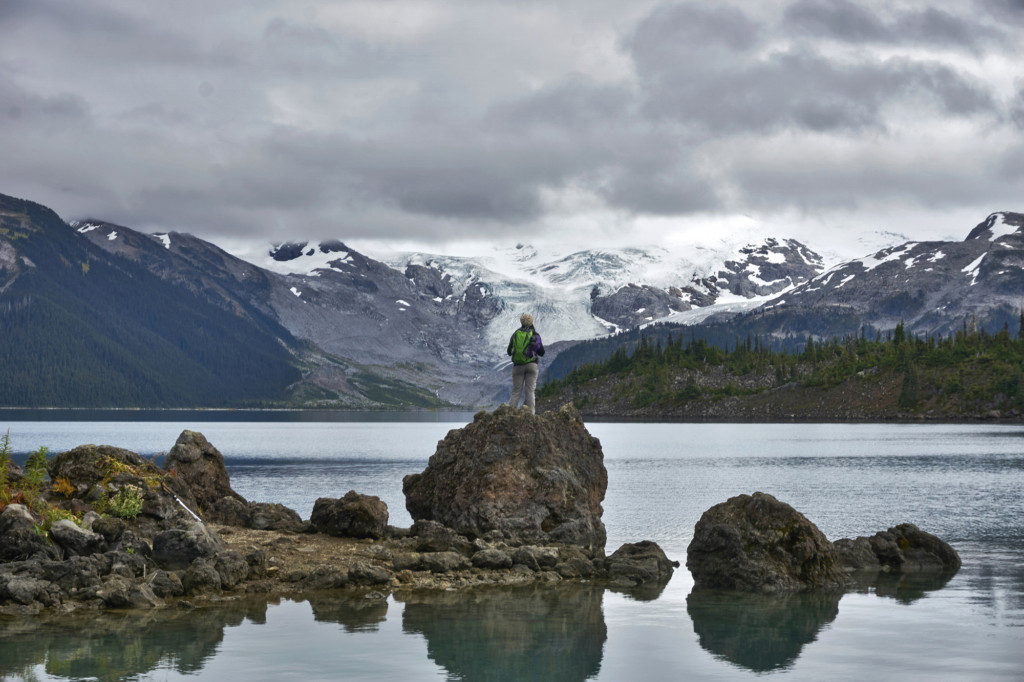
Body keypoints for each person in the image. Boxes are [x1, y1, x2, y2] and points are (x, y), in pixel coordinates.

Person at [507, 312, 545, 414]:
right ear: (531, 322)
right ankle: (531, 415)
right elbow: (542, 352)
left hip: (518, 366)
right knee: (530, 391)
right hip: (532, 366)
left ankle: (510, 414)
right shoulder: (535, 335)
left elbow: (509, 351)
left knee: (516, 391)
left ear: (521, 322)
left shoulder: (516, 334)